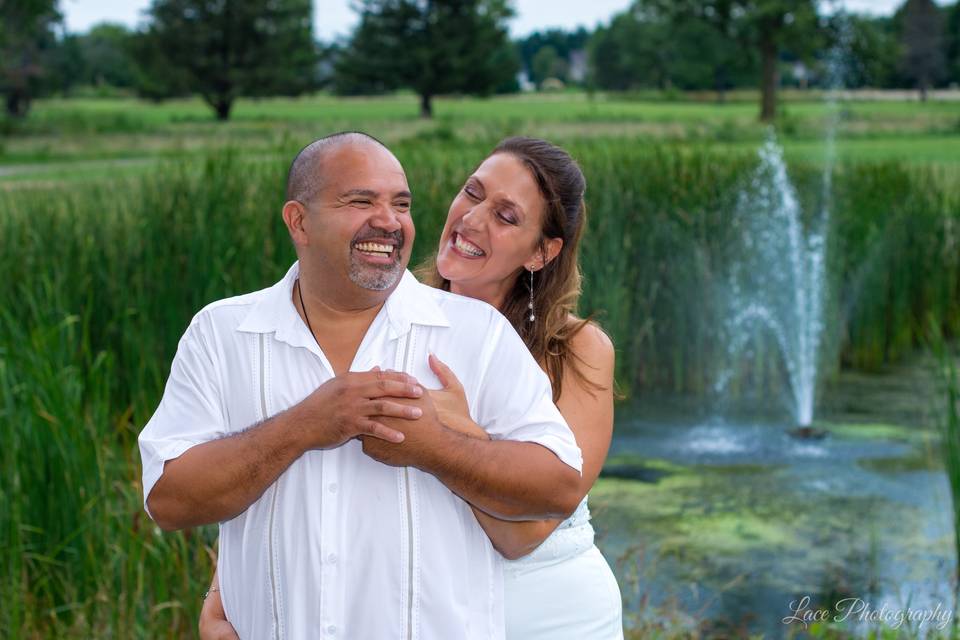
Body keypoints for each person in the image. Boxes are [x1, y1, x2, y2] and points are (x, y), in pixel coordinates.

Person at [138, 132, 586, 640]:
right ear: (298, 221)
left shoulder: (477, 335)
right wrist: (304, 425)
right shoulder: (220, 333)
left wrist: (437, 447)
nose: (389, 220)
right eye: (361, 201)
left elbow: (560, 488)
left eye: (402, 204)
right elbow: (167, 500)